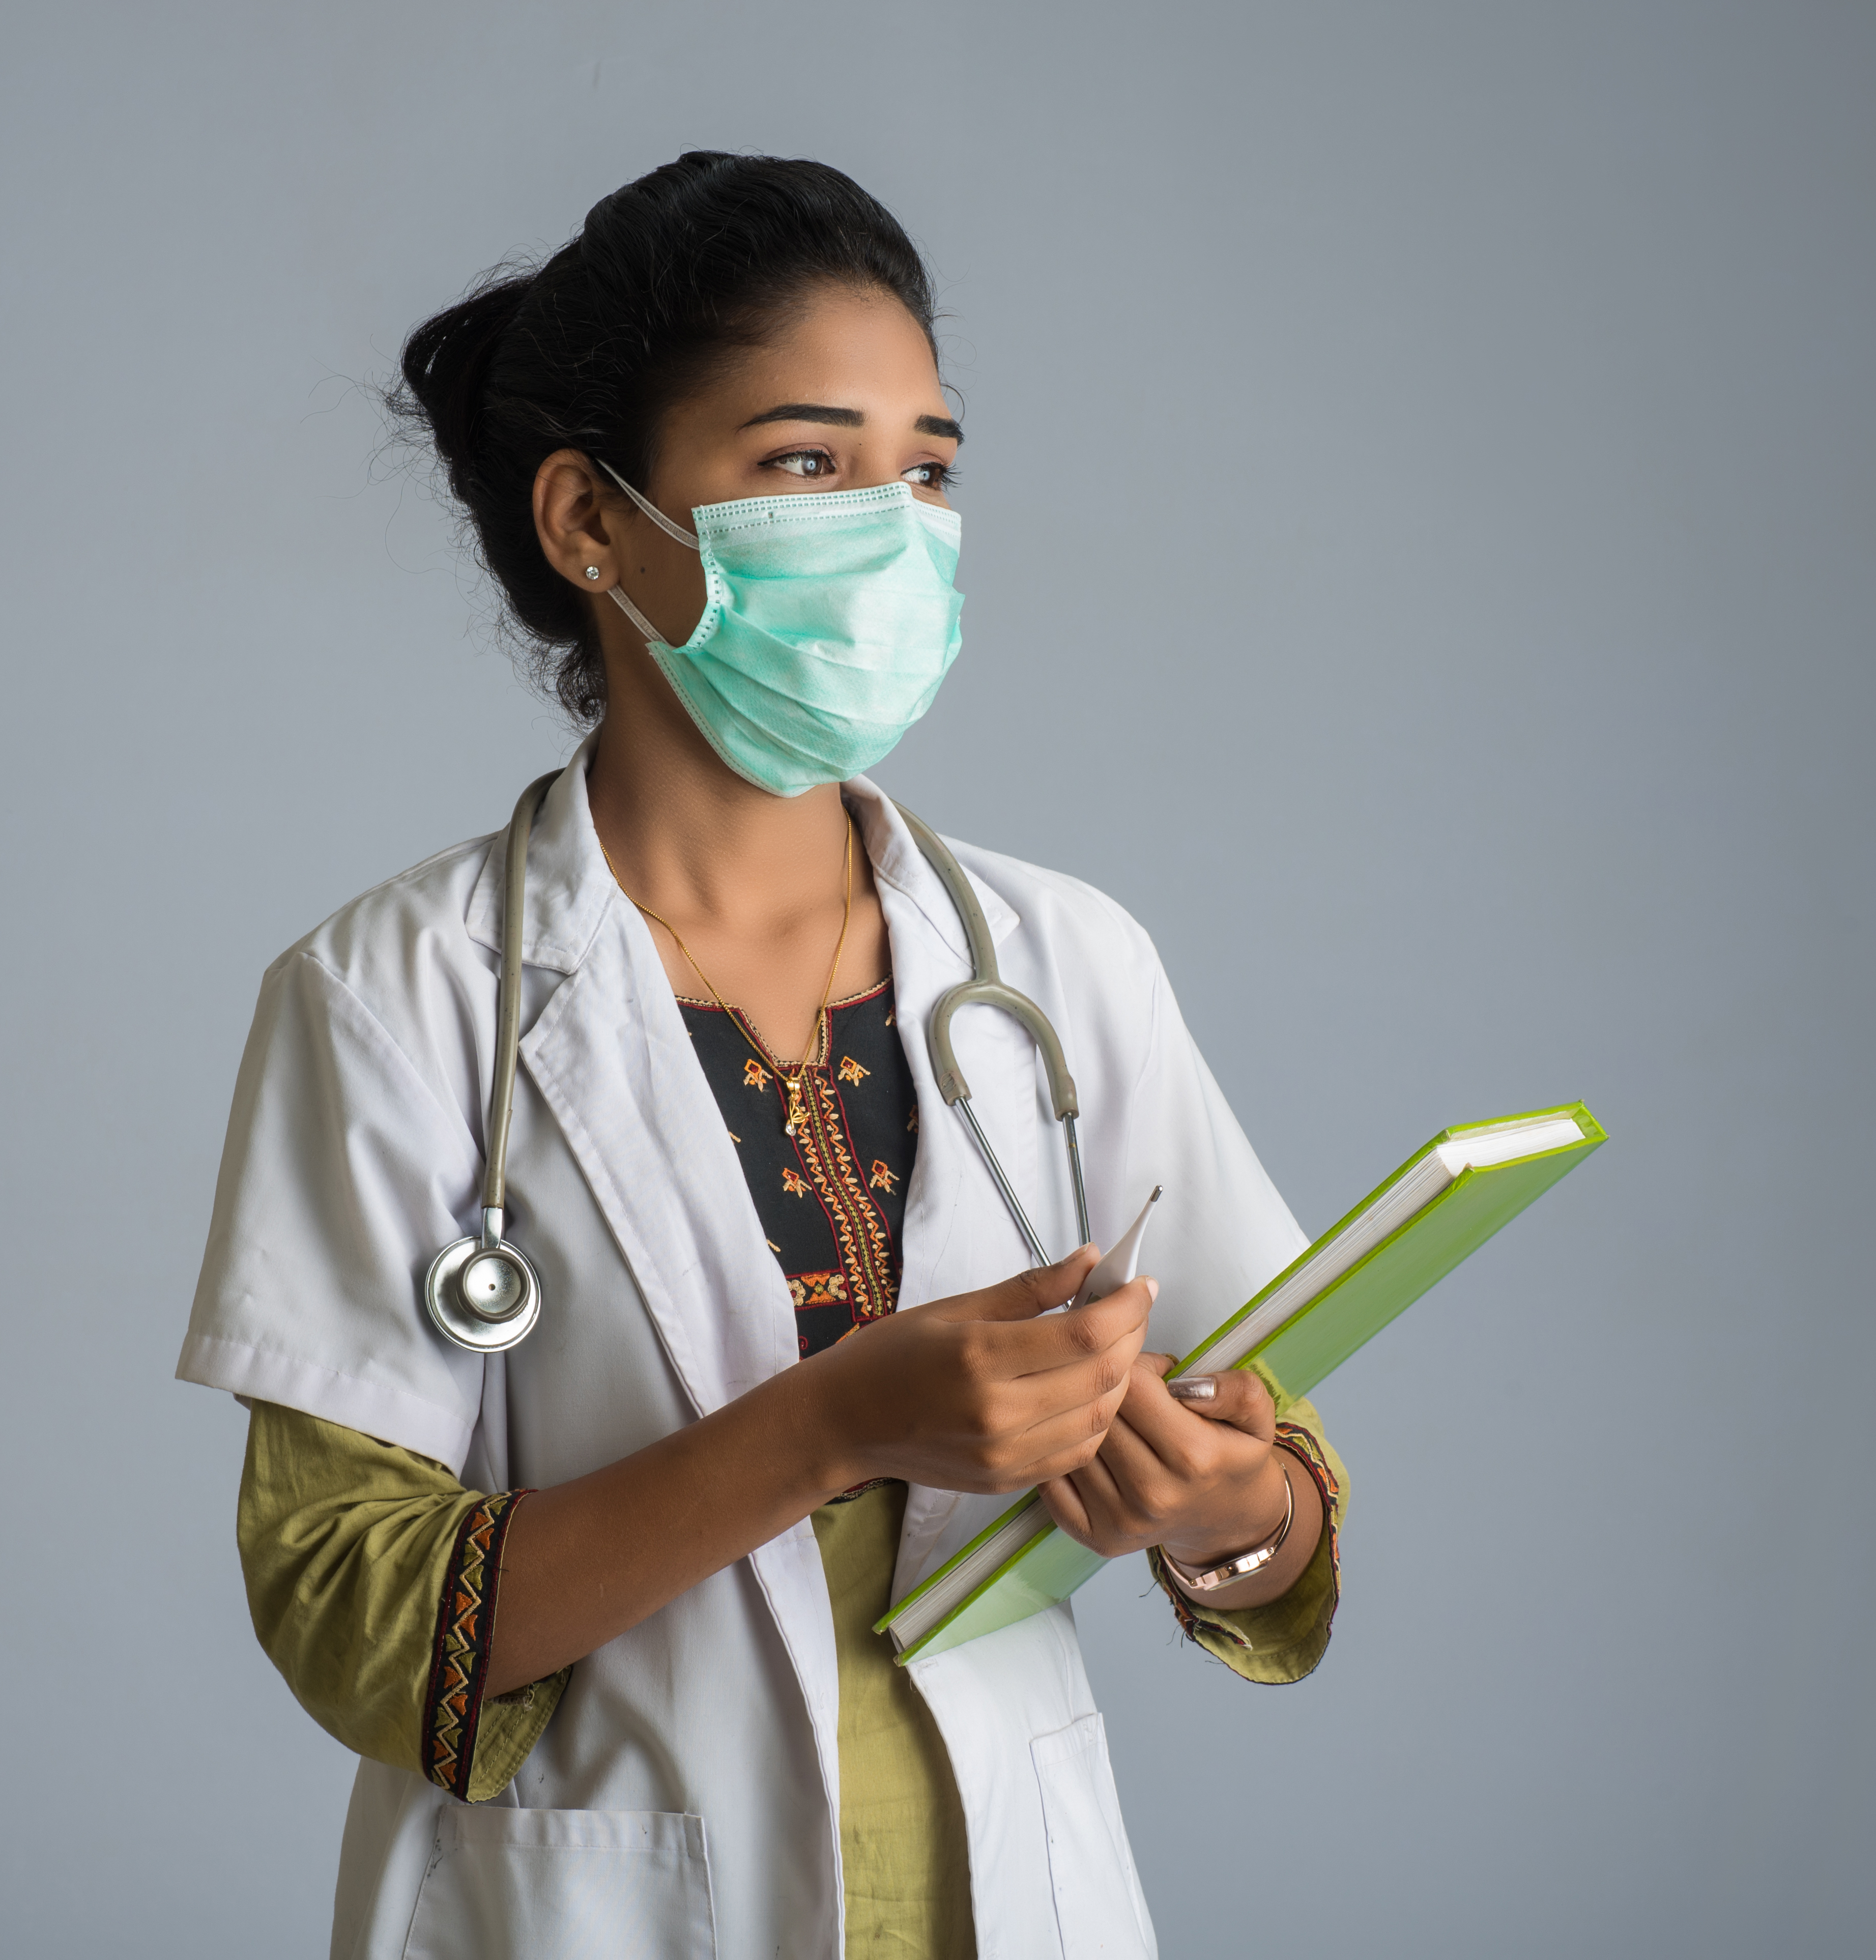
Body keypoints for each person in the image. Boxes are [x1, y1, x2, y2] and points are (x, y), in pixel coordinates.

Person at [178, 152, 1346, 1959]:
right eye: (804, 464)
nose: (889, 526)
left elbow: (1275, 1484)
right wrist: (829, 1424)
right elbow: (358, 1611)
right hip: (594, 1912)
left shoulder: (1059, 959)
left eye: (928, 467)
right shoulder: (394, 997)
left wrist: (1226, 1506)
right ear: (591, 521)